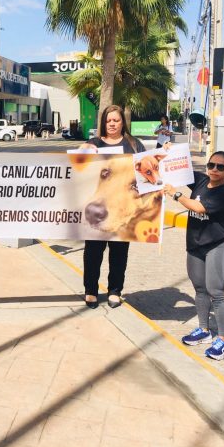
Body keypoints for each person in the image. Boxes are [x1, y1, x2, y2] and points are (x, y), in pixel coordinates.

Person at [164, 150, 224, 360]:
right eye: (211, 165)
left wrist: (176, 194)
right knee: (200, 290)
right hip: (195, 245)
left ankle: (223, 341)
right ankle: (204, 331)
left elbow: (199, 207)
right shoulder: (202, 181)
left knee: (217, 293)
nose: (214, 169)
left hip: (217, 245)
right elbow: (180, 169)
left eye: (220, 167)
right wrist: (168, 152)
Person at [78, 105, 146, 309]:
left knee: (119, 253)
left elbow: (149, 171)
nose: (112, 124)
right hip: (98, 207)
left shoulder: (134, 145)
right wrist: (83, 150)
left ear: (123, 122)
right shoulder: (94, 143)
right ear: (103, 123)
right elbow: (78, 165)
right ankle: (90, 290)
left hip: (123, 210)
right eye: (109, 121)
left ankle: (115, 290)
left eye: (116, 120)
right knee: (93, 252)